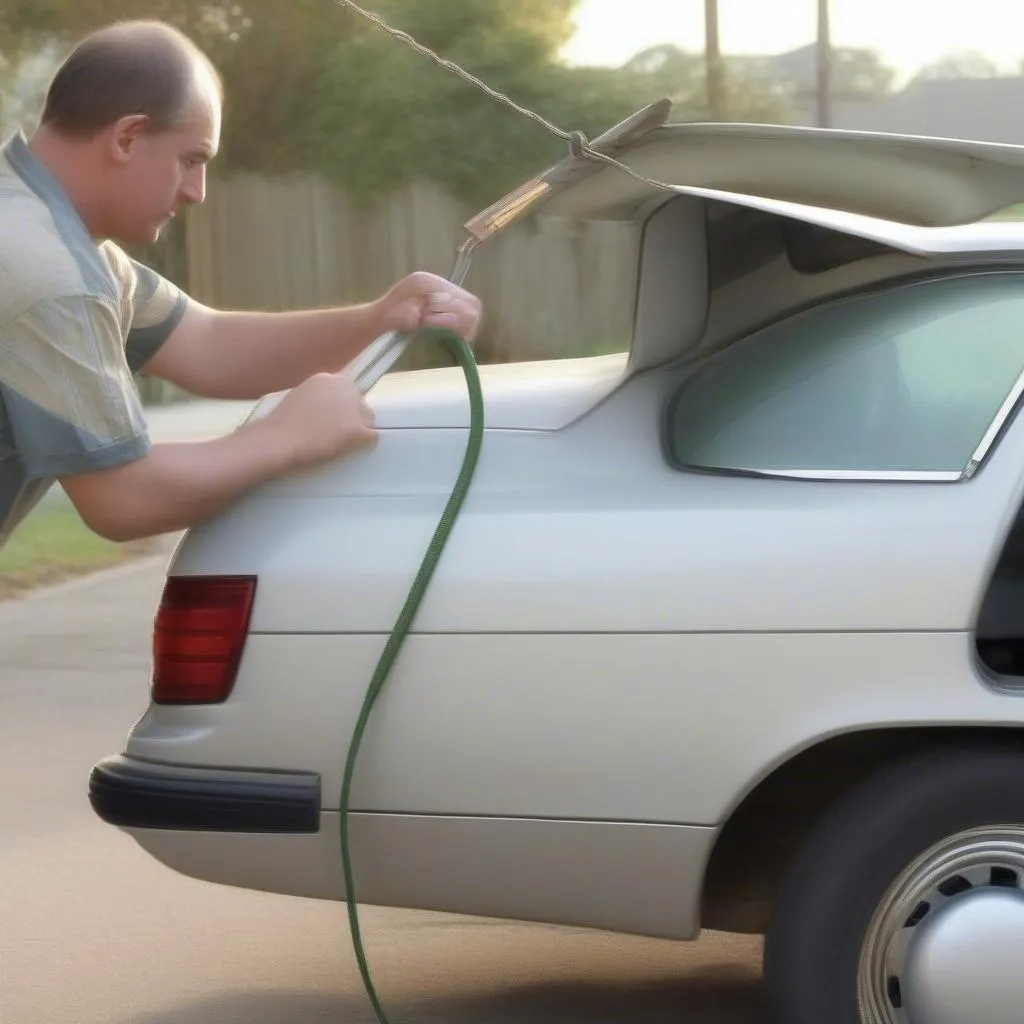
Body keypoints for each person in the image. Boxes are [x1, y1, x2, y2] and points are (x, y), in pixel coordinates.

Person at [0, 19, 482, 551]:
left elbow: (208, 344)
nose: (197, 191)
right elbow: (123, 496)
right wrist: (287, 437)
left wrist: (379, 318)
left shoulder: (43, 229)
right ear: (128, 137)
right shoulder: (47, 271)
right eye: (191, 159)